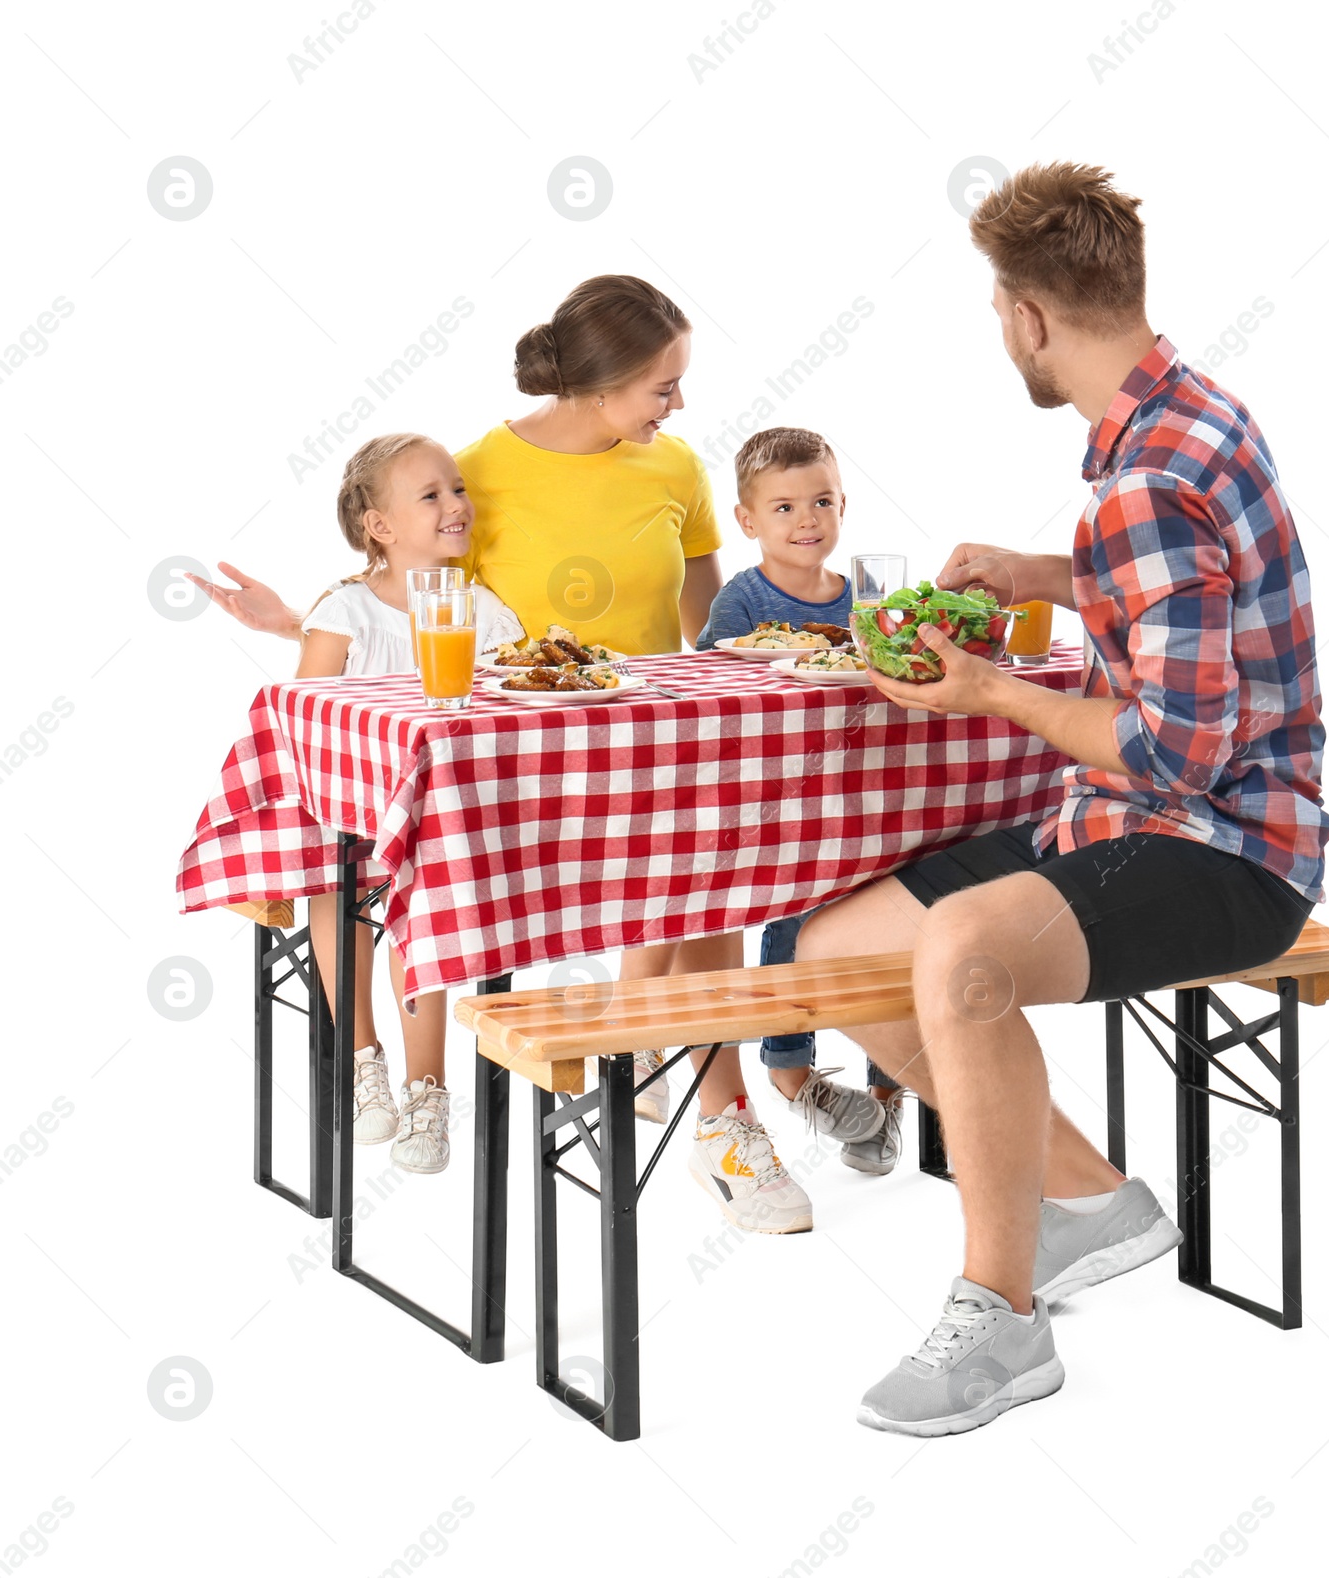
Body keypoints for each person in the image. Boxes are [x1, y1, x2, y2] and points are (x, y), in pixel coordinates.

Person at [793, 161, 1329, 1435]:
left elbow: (1177, 754)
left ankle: (1003, 1313)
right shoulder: (1178, 416)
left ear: (1028, 317)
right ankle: (1093, 1202)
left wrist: (991, 688)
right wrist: (1049, 569)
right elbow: (1179, 592)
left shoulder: (1144, 480)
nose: (1002, 335)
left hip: (1227, 853)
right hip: (1126, 822)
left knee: (965, 950)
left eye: (998, 312)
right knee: (834, 949)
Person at [189, 276, 814, 1233]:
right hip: (526, 776)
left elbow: (706, 617)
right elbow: (409, 609)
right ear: (599, 387)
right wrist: (298, 627)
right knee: (699, 882)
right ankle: (664, 1074)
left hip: (653, 751)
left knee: (718, 873)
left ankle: (711, 1114)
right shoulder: (483, 470)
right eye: (662, 384)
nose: (679, 404)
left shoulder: (677, 469)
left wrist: (741, 686)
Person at [300, 433, 524, 1173]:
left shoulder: (484, 612)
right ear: (380, 526)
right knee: (336, 883)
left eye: (457, 488)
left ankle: (427, 1089)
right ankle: (364, 1059)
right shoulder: (347, 610)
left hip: (441, 821)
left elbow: (505, 719)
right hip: (348, 815)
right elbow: (305, 720)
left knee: (420, 895)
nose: (457, 504)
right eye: (431, 495)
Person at [694, 426, 904, 1171]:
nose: (806, 520)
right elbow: (716, 699)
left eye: (820, 502)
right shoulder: (740, 603)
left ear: (843, 504)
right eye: (783, 508)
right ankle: (793, 1074)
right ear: (748, 521)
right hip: (782, 804)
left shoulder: (868, 601)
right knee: (791, 920)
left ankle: (886, 1101)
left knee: (890, 934)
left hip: (866, 795)